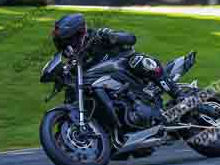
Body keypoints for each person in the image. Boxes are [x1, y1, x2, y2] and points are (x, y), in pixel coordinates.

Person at [51, 13, 183, 100]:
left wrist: (113, 37)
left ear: (78, 34)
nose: (67, 46)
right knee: (72, 93)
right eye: (62, 43)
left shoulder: (98, 37)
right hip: (109, 91)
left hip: (128, 74)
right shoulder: (75, 64)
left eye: (68, 41)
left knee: (139, 61)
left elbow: (131, 38)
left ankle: (179, 96)